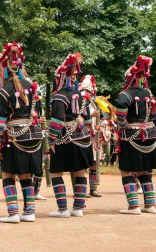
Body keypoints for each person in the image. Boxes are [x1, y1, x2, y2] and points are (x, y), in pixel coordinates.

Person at [0, 42, 44, 223]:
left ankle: (13, 213)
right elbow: (39, 113)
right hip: (35, 135)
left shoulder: (3, 92)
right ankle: (29, 212)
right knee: (25, 174)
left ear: (4, 68)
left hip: (15, 137)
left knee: (8, 174)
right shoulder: (33, 88)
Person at [48, 53, 94, 218]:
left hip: (64, 139)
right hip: (82, 138)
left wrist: (51, 140)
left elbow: (57, 121)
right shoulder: (81, 97)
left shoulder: (59, 96)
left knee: (56, 173)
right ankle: (78, 208)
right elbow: (87, 119)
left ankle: (62, 210)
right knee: (80, 172)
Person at [114, 55, 156, 214]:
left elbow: (120, 106)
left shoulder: (125, 94)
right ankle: (150, 205)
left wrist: (122, 124)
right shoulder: (148, 92)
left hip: (131, 136)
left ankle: (133, 206)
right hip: (150, 135)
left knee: (127, 170)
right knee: (145, 170)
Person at [78, 75, 102, 197]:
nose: (88, 93)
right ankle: (81, 191)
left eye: (89, 91)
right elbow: (78, 117)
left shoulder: (92, 101)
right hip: (82, 134)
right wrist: (91, 115)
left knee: (94, 162)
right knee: (82, 163)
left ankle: (93, 188)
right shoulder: (80, 99)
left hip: (92, 135)